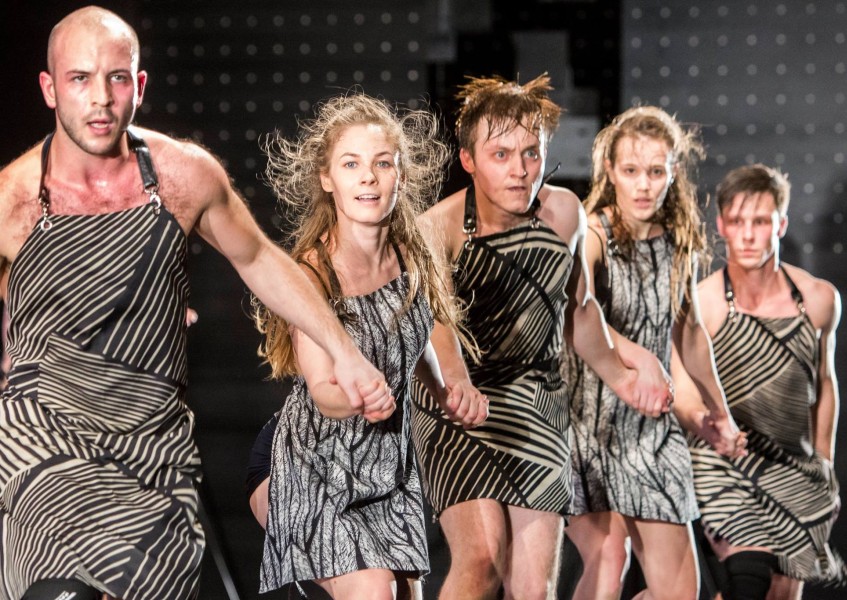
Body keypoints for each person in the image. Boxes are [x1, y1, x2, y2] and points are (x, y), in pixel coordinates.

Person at [0, 7, 391, 599]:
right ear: (50, 89)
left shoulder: (183, 177)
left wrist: (346, 353)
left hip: (154, 449)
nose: (100, 98)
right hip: (45, 441)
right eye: (79, 78)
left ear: (139, 84)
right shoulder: (13, 200)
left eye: (116, 78)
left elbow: (260, 260)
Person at [410, 75, 673, 600]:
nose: (519, 169)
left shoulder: (565, 213)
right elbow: (435, 321)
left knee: (534, 589)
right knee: (483, 559)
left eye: (531, 153)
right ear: (468, 160)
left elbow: (579, 310)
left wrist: (622, 376)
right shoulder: (436, 228)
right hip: (459, 403)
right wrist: (457, 382)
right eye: (501, 154)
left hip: (536, 397)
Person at [250, 93, 488, 599]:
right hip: (311, 464)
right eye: (351, 164)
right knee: (376, 590)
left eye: (382, 163)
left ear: (401, 175)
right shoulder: (313, 272)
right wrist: (359, 397)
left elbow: (413, 336)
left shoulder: (412, 255)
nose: (369, 178)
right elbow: (322, 391)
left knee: (405, 593)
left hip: (385, 469)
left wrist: (446, 391)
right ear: (327, 178)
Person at [559, 106, 745, 600]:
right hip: (588, 424)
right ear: (610, 171)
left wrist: (719, 412)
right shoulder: (591, 235)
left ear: (674, 172)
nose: (643, 185)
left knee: (679, 592)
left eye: (656, 172)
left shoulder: (679, 243)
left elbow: (691, 336)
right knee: (608, 562)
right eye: (631, 170)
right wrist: (638, 357)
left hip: (652, 432)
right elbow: (576, 310)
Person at [679, 164, 847, 599]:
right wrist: (707, 425)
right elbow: (683, 391)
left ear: (781, 224)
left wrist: (825, 465)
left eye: (759, 222)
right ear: (721, 225)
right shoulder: (703, 304)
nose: (748, 235)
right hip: (725, 462)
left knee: (781, 592)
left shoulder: (818, 299)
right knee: (748, 578)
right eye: (737, 222)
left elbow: (824, 385)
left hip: (793, 464)